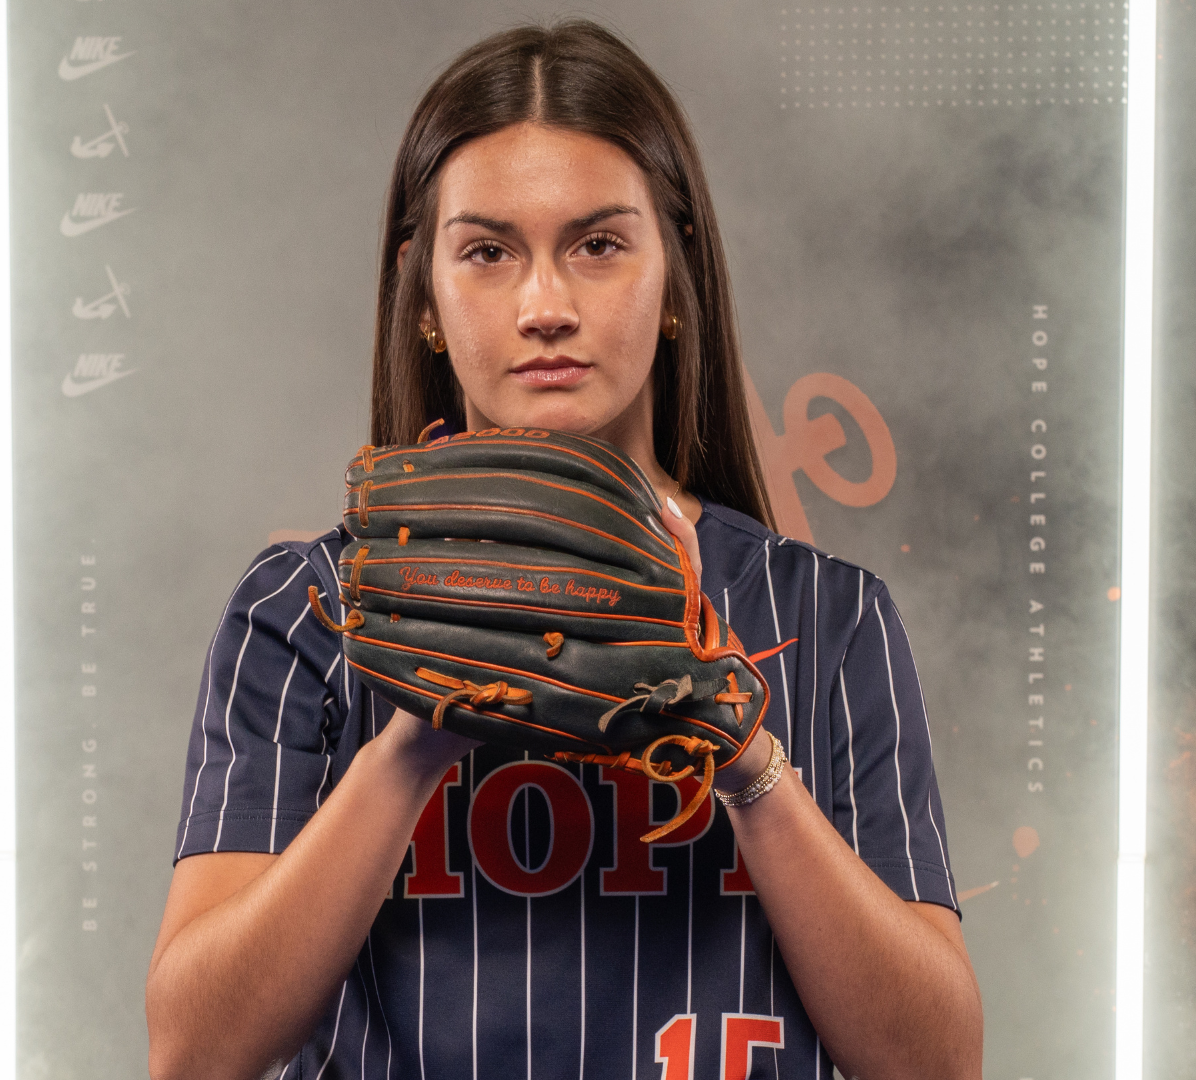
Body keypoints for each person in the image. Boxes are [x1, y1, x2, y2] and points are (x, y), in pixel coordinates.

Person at [146, 20, 982, 1080]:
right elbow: (190, 1051)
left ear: (673, 276)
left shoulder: (824, 614)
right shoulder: (308, 610)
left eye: (597, 244)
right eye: (489, 252)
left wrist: (748, 762)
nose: (545, 306)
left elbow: (937, 1062)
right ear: (428, 293)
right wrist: (410, 741)